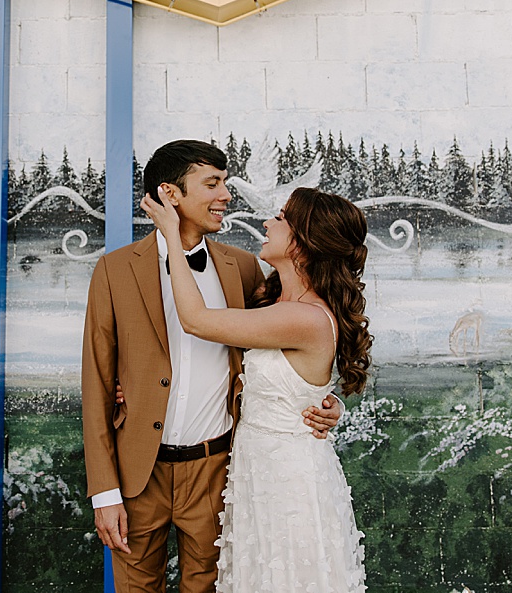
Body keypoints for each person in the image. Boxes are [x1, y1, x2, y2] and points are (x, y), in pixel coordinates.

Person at [82, 140, 343, 593]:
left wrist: (325, 400)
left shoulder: (243, 268)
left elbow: (296, 345)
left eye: (224, 182)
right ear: (170, 194)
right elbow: (97, 384)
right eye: (213, 183)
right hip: (138, 474)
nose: (226, 194)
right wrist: (104, 492)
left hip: (217, 471)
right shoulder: (114, 270)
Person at [140, 184, 370, 592]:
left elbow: (195, 320)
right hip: (257, 471)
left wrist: (171, 234)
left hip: (287, 481)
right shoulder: (279, 305)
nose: (267, 222)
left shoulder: (305, 318)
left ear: (302, 244)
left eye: (280, 218)